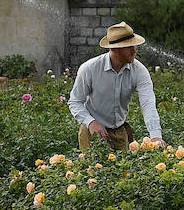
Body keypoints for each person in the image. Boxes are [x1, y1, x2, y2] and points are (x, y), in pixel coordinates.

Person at [68, 21, 166, 151]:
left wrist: (155, 136)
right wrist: (91, 122)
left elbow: (148, 104)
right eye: (129, 47)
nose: (134, 51)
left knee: (122, 170)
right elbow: (75, 101)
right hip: (92, 133)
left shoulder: (139, 70)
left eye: (134, 46)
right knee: (91, 170)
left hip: (120, 132)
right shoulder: (90, 68)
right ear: (114, 49)